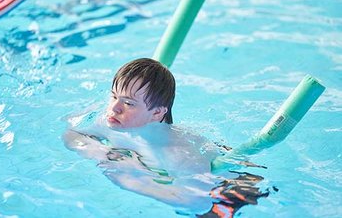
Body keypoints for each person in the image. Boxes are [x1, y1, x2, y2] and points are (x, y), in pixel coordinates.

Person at [63, 57, 270, 217]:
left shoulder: (178, 152)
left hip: (229, 187)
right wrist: (100, 152)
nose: (114, 108)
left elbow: (196, 202)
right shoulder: (109, 120)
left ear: (157, 113)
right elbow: (71, 135)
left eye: (128, 103)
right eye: (114, 96)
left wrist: (132, 180)